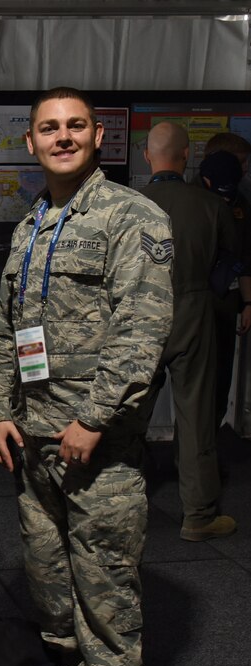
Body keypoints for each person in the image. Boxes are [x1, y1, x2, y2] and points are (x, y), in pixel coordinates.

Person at [0, 87, 173, 666]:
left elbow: (141, 330)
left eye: (73, 127)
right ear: (29, 143)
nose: (60, 138)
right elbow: (7, 329)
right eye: (46, 129)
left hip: (99, 447)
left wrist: (92, 419)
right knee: (50, 577)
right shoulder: (34, 223)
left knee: (105, 586)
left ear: (97, 137)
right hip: (33, 441)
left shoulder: (132, 217)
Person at [141, 122, 239, 541]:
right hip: (194, 309)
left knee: (126, 412)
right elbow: (230, 261)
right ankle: (198, 515)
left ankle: (111, 505)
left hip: (138, 313)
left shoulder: (124, 205)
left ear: (148, 156)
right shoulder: (210, 205)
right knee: (196, 414)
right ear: (186, 157)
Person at [199, 147, 251, 425]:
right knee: (190, 380)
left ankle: (209, 445)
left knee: (220, 376)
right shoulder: (193, 201)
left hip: (225, 297)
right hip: (192, 297)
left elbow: (245, 256)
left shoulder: (241, 204)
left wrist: (248, 303)